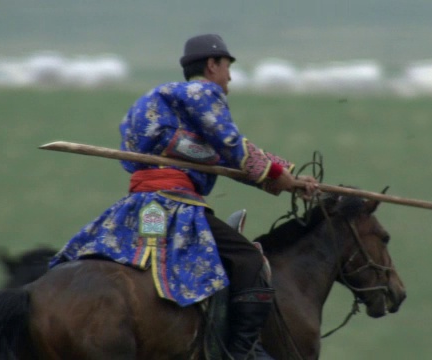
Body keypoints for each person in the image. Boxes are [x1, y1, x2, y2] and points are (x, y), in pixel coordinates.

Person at [49, 33, 318, 360]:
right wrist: (280, 176)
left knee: (144, 260)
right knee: (248, 260)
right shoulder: (205, 92)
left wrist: (285, 177)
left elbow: (217, 158)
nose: (229, 77)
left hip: (143, 207)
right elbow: (231, 146)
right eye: (227, 67)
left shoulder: (155, 105)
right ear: (212, 65)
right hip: (176, 205)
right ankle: (240, 352)